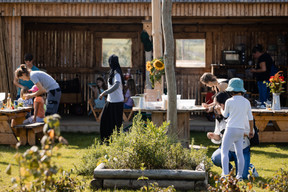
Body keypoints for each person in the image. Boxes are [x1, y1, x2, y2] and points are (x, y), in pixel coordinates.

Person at [207, 92, 258, 179]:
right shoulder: (219, 118)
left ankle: (250, 167)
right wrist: (214, 136)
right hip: (229, 149)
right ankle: (229, 171)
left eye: (216, 105)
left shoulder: (240, 115)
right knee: (217, 157)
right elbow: (219, 137)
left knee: (244, 175)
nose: (214, 107)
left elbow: (251, 132)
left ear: (222, 105)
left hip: (243, 147)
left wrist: (236, 132)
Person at [220, 78, 254, 180]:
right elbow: (250, 118)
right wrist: (251, 131)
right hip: (241, 130)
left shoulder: (229, 101)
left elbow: (225, 115)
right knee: (240, 153)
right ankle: (239, 176)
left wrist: (221, 109)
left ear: (231, 90)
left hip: (230, 128)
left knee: (224, 151)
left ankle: (225, 174)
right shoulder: (246, 102)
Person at [99, 54, 124, 142]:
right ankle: (106, 140)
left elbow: (117, 85)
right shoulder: (112, 72)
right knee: (105, 121)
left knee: (116, 125)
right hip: (110, 101)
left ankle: (117, 142)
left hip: (117, 102)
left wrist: (105, 92)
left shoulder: (117, 73)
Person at [250, 44, 273, 108]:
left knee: (263, 93)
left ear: (257, 52)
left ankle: (263, 104)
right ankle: (266, 103)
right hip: (269, 78)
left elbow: (263, 69)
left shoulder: (262, 58)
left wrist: (254, 70)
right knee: (267, 93)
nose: (254, 56)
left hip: (263, 79)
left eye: (254, 55)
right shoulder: (268, 56)